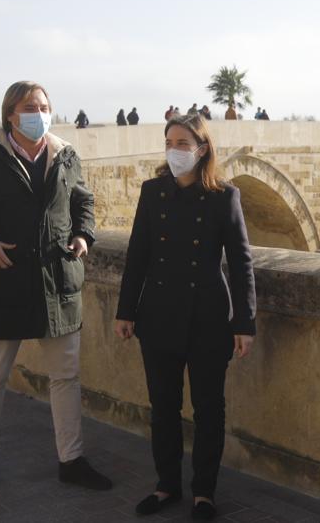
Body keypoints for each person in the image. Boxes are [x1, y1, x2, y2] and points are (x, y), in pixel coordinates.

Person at [0, 81, 112, 494]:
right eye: (31, 106)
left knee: (65, 375)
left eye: (45, 105)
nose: (40, 112)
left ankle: (72, 458)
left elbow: (82, 202)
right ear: (10, 113)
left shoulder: (65, 155)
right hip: (7, 277)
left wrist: (84, 235)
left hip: (57, 280)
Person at [115, 114, 256, 521]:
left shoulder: (224, 196)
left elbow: (242, 263)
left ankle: (204, 493)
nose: (174, 150)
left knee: (209, 408)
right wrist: (126, 311)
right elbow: (138, 255)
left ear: (202, 148)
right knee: (163, 406)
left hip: (208, 318)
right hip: (157, 316)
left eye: (182, 143)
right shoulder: (152, 192)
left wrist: (245, 323)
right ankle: (166, 485)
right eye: (169, 142)